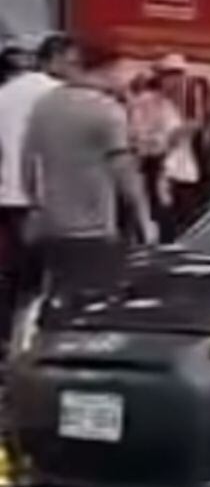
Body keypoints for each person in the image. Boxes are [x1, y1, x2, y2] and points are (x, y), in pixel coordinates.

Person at [23, 44, 157, 295]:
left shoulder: (43, 105)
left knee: (50, 300)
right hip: (92, 231)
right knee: (90, 304)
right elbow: (124, 173)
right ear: (110, 69)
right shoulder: (105, 110)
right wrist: (145, 221)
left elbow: (29, 167)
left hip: (48, 228)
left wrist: (37, 207)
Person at [0, 35, 65, 341]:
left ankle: (5, 339)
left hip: (6, 197)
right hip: (42, 198)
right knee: (42, 280)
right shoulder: (56, 94)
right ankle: (29, 340)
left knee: (10, 276)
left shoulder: (4, 94)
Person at [127, 53, 199, 238]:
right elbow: (140, 142)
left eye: (179, 76)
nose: (176, 81)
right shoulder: (145, 103)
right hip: (161, 175)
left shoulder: (180, 104)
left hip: (185, 175)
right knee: (166, 227)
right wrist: (172, 138)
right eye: (170, 75)